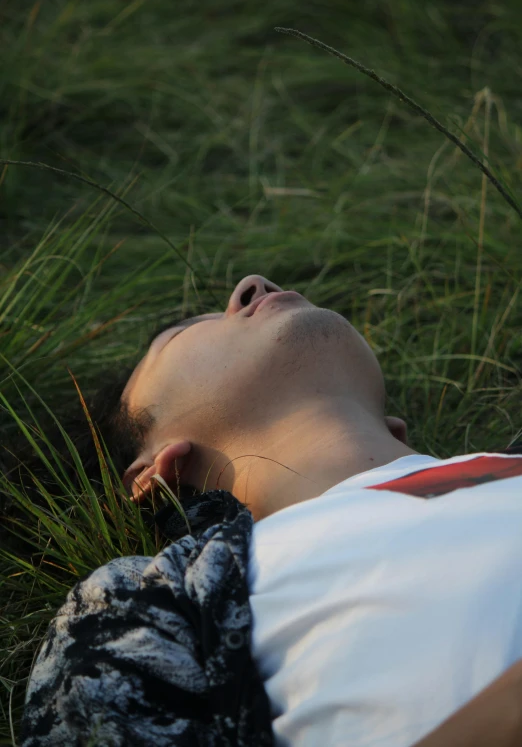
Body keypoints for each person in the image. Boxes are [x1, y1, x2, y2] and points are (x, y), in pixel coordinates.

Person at [19, 274, 522, 746]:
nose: (253, 285)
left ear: (395, 430)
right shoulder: (157, 602)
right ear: (157, 474)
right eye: (184, 333)